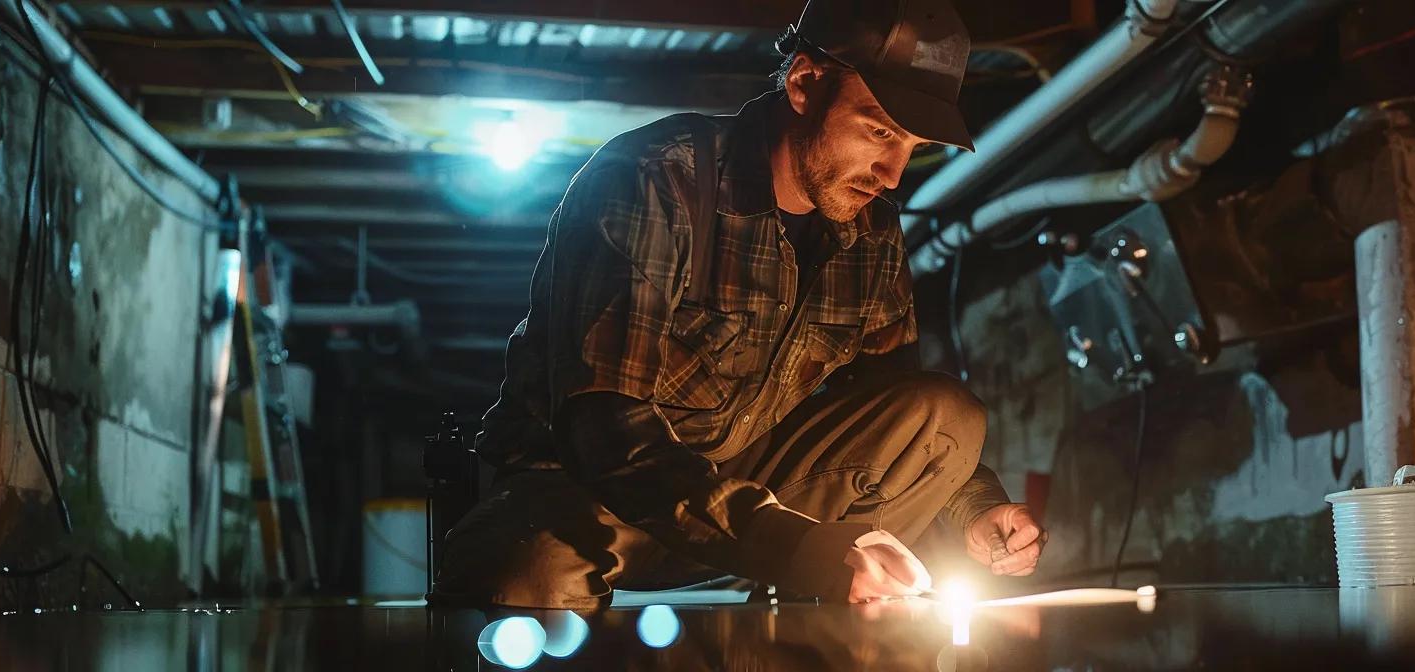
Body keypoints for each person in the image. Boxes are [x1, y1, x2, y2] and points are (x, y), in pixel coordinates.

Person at [434, 0, 1046, 609]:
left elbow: (899, 412)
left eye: (912, 146)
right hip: (588, 494)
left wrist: (975, 511)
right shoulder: (653, 178)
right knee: (529, 577)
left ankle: (826, 628)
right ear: (806, 83)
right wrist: (787, 543)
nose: (891, 173)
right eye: (880, 131)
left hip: (748, 495)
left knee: (945, 416)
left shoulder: (872, 233)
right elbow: (605, 429)